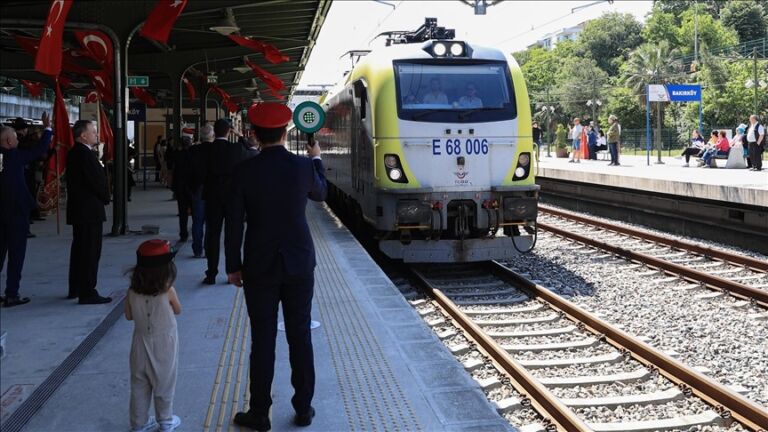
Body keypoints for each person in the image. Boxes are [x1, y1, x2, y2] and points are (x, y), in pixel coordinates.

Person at [225, 103, 327, 431]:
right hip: (299, 263)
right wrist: (316, 159)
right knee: (300, 335)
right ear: (285, 133)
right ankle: (303, 408)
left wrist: (233, 265)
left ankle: (259, 413)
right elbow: (321, 194)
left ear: (255, 135)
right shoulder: (303, 166)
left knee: (262, 338)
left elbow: (233, 222)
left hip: (259, 265)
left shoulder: (244, 170)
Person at [125, 239, 182, 432]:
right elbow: (178, 310)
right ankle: (165, 421)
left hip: (139, 342)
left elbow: (128, 316)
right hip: (165, 343)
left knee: (139, 382)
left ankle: (139, 423)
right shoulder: (168, 291)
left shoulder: (132, 292)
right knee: (165, 380)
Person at [0, 114, 52, 307]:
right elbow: (39, 150)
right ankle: (12, 293)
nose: (17, 141)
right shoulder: (14, 156)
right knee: (16, 256)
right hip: (16, 214)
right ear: (8, 141)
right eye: (15, 138)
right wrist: (48, 129)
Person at [66, 120, 112, 304]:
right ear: (83, 135)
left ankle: (76, 287)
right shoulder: (84, 155)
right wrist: (106, 196)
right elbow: (95, 181)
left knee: (80, 249)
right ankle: (87, 291)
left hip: (81, 210)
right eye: (93, 131)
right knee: (90, 251)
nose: (96, 134)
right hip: (89, 211)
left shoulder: (76, 153)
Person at [202, 119, 247, 284]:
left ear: (214, 132)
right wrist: (240, 135)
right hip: (233, 199)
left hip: (212, 198)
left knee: (212, 235)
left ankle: (211, 273)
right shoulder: (236, 149)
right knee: (232, 236)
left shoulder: (206, 149)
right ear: (229, 131)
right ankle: (232, 272)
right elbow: (250, 150)